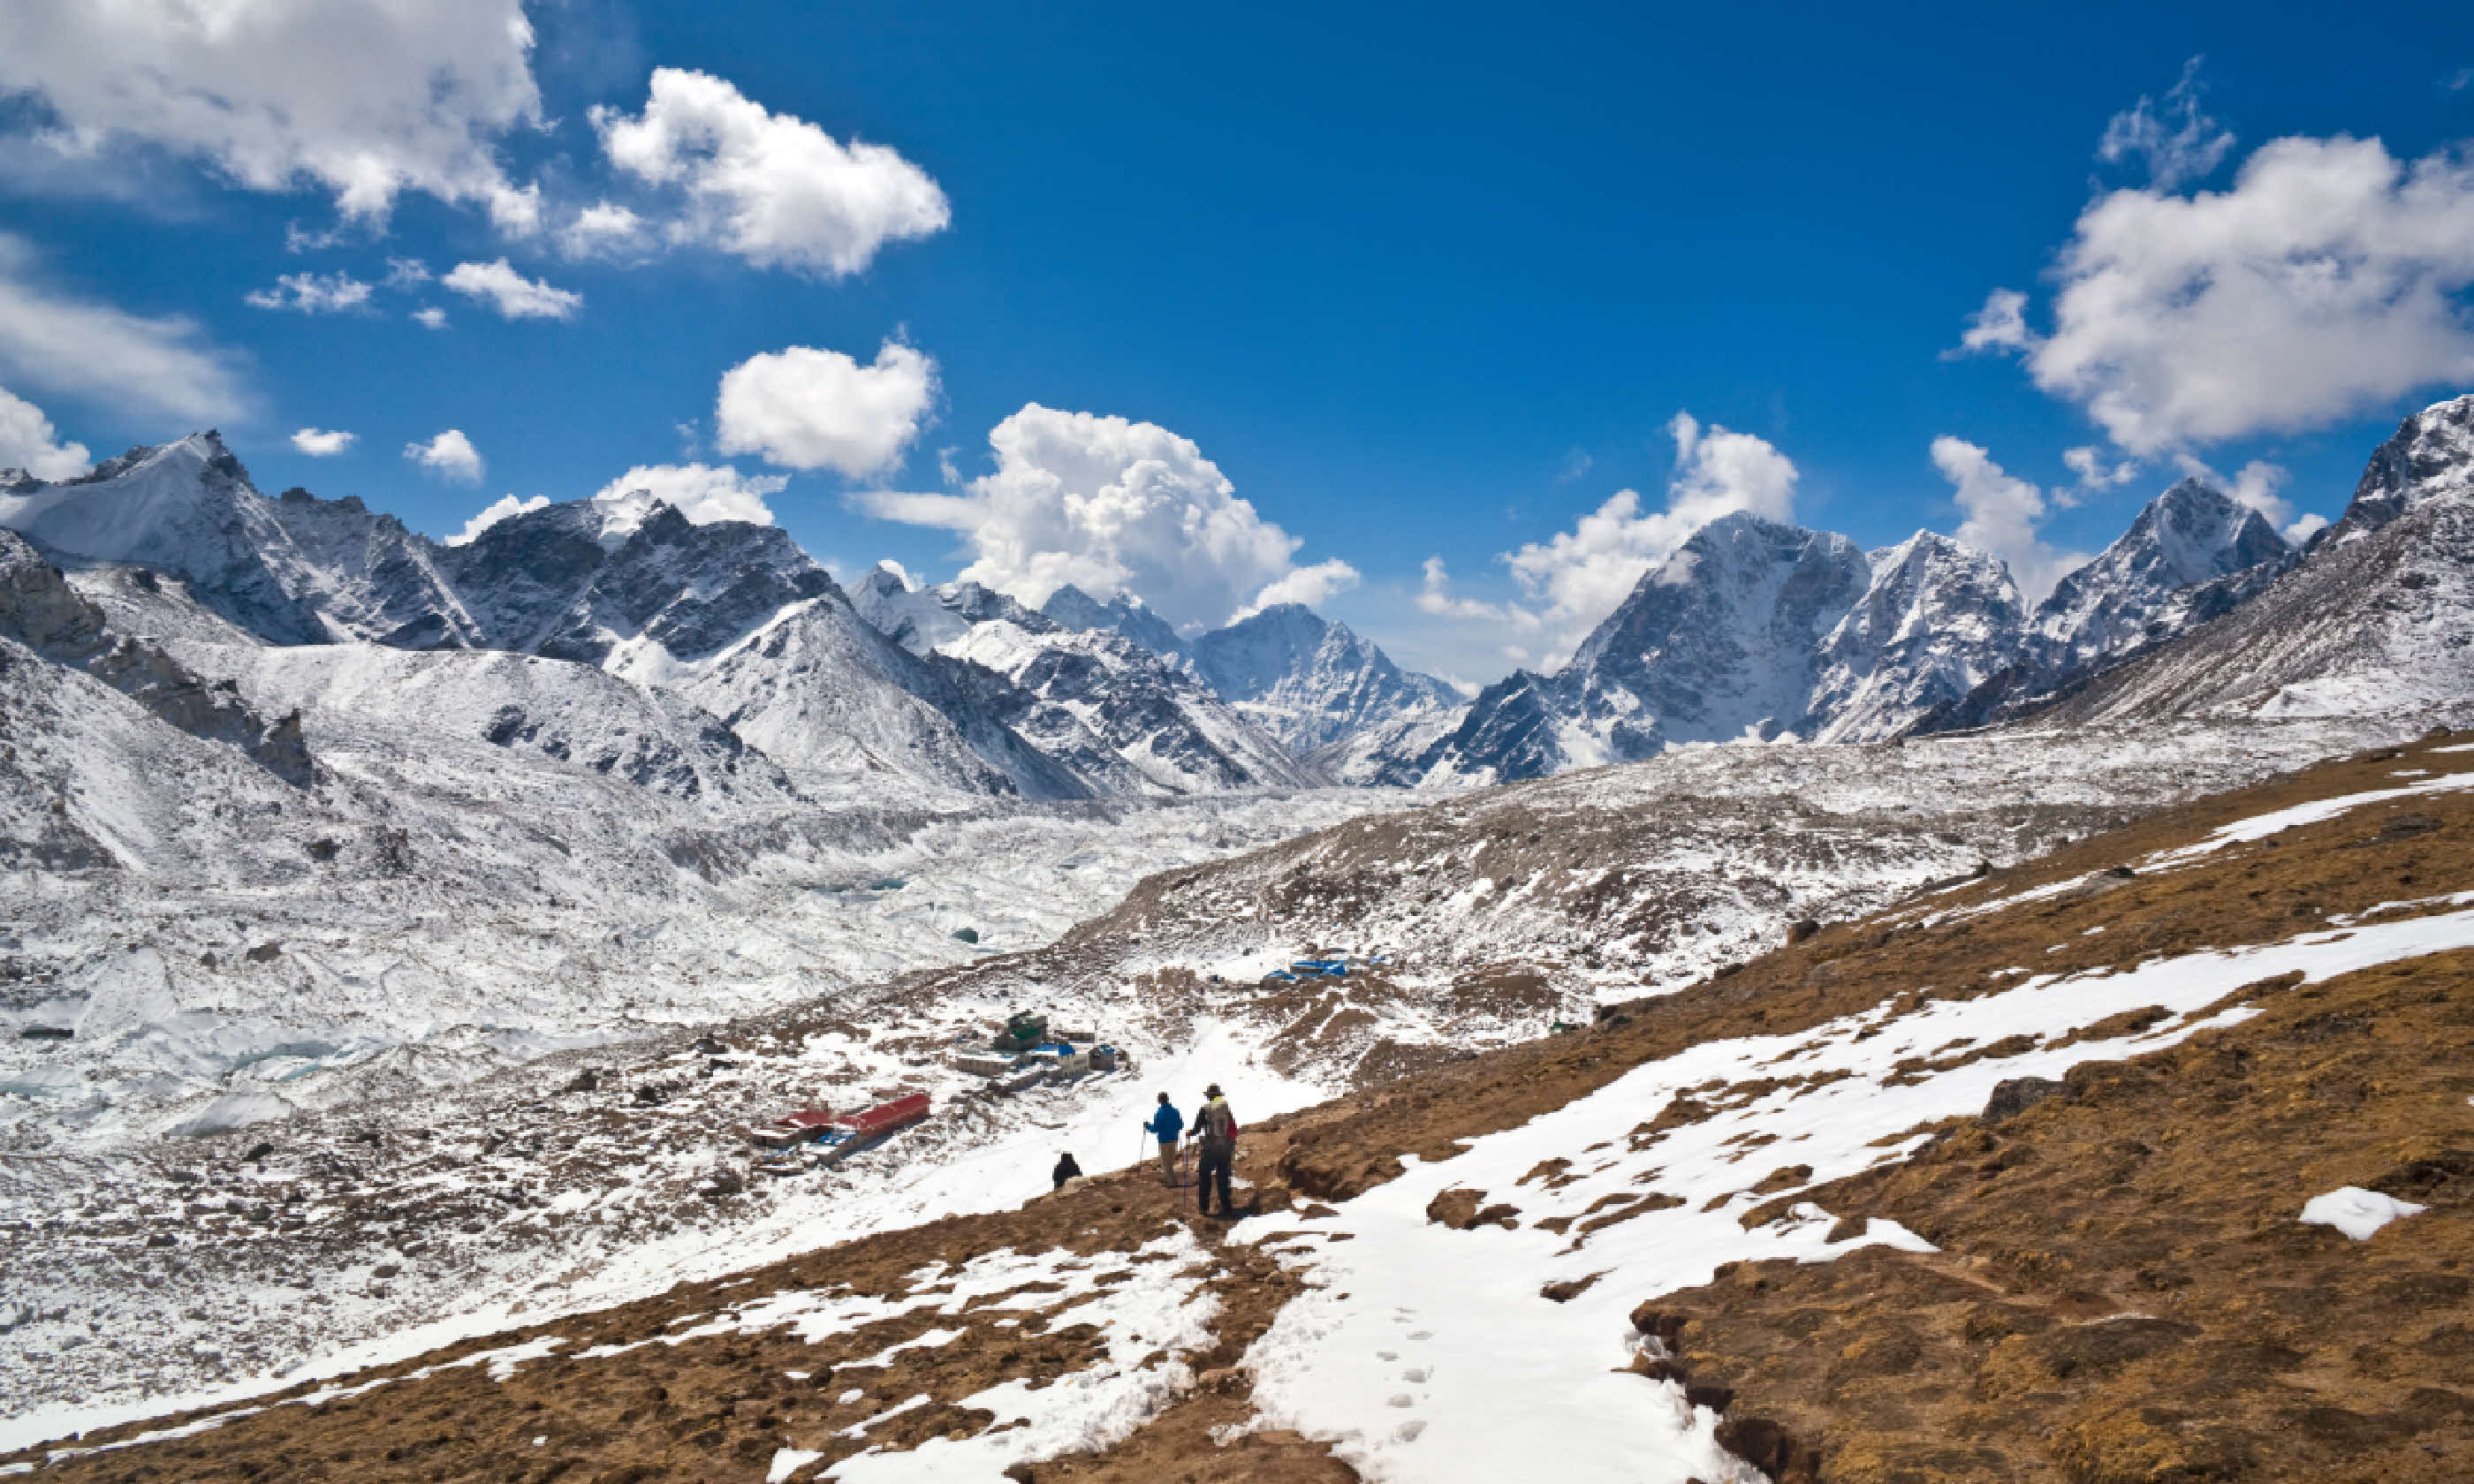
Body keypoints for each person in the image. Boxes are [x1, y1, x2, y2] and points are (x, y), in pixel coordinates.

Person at [1193, 1083, 1240, 1217]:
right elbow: (1232, 1127)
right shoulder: (1225, 1108)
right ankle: (1226, 1205)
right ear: (1219, 1095)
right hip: (1225, 1147)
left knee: (1204, 1176)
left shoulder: (1205, 1109)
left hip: (1210, 1148)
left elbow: (1197, 1128)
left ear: (1209, 1096)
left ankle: (1204, 1207)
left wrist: (1191, 1132)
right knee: (1223, 1177)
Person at [1144, 1093, 1184, 1185]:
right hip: (1174, 1139)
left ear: (1160, 1101)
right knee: (1170, 1162)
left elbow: (1155, 1128)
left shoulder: (1159, 1113)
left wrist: (1148, 1126)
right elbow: (1180, 1125)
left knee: (1165, 1163)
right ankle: (1169, 1179)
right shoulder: (1175, 1111)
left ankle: (1170, 1183)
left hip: (1164, 1140)